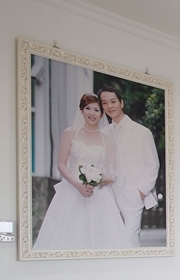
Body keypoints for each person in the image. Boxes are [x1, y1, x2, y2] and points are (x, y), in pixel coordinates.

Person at [34, 94, 132, 249]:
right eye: (88, 108)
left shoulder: (108, 140)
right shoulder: (70, 133)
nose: (92, 113)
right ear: (81, 110)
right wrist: (78, 186)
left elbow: (112, 174)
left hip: (99, 195)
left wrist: (95, 182)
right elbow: (61, 164)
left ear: (102, 114)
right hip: (71, 191)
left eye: (96, 110)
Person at [98, 85, 160, 247]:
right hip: (110, 193)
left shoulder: (142, 131)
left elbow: (153, 164)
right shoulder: (103, 133)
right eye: (105, 103)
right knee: (113, 236)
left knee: (131, 235)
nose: (110, 106)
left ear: (121, 103)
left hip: (133, 192)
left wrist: (141, 191)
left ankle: (134, 263)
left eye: (113, 101)